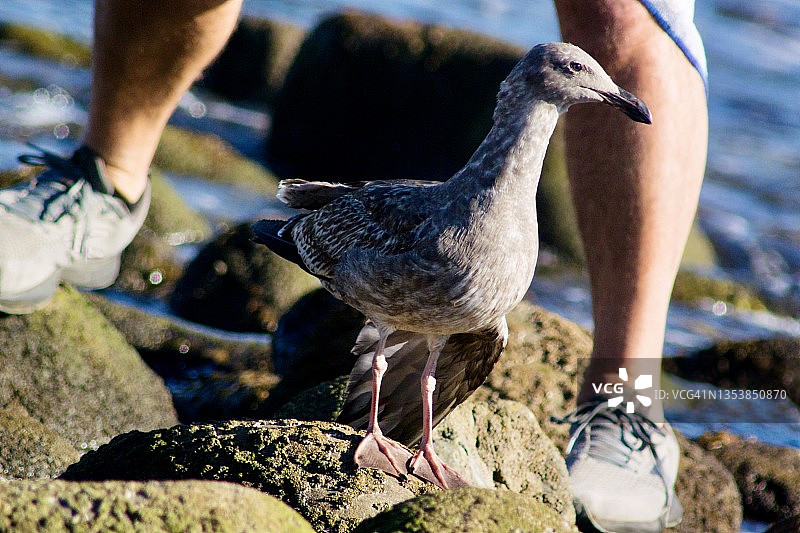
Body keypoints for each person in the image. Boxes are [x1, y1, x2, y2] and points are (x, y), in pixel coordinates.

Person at [0, 0, 707, 531]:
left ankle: (623, 397)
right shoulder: (428, 215)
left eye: (604, 84)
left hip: (471, 245)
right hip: (397, 236)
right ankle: (106, 178)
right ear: (537, 82)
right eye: (585, 77)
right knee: (400, 336)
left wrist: (608, 88)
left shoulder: (517, 231)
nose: (606, 90)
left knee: (620, 7)